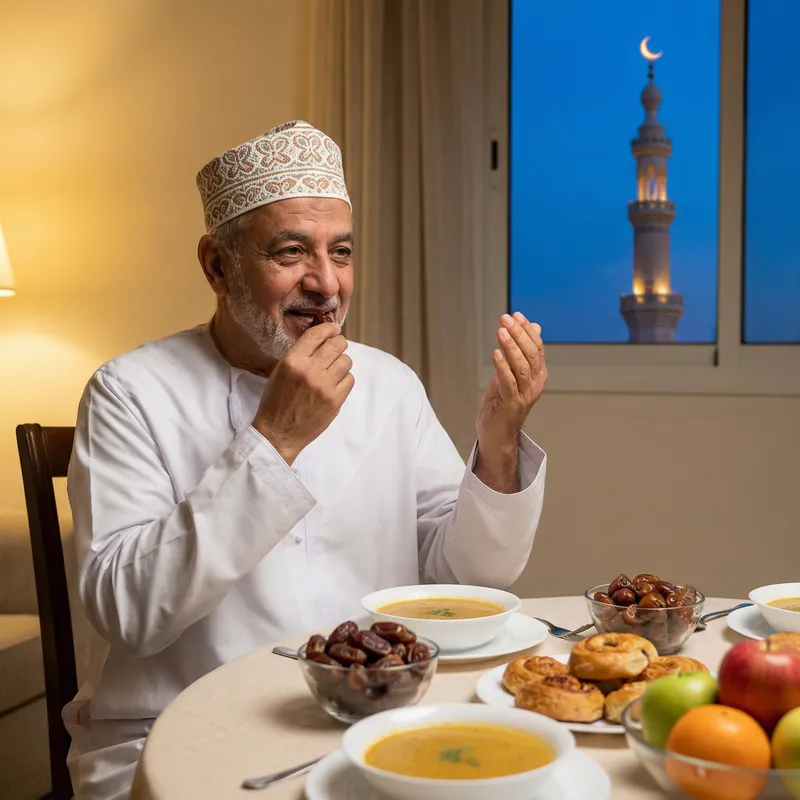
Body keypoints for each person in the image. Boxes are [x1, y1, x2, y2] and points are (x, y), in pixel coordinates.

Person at [64, 120, 548, 799]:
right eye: (291, 252)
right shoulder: (130, 392)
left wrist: (498, 446)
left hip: (372, 725)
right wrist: (274, 441)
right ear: (216, 265)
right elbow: (129, 613)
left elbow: (465, 579)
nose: (325, 283)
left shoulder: (388, 382)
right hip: (177, 738)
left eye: (341, 253)